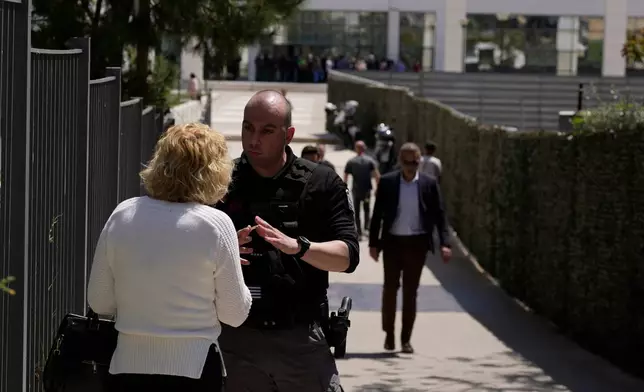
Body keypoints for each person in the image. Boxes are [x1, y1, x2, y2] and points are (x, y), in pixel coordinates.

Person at [87, 123, 252, 391]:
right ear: (215, 172)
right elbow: (235, 313)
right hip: (194, 371)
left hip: (126, 369)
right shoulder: (216, 224)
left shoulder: (123, 213)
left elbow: (99, 300)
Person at [215, 90, 359, 392]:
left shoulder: (321, 183)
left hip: (302, 341)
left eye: (267, 130)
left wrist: (300, 247)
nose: (254, 139)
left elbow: (347, 256)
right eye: (248, 128)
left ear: (288, 134)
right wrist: (221, 247)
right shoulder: (218, 182)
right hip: (235, 341)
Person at [368, 142, 451, 354]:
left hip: (417, 244)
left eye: (414, 162)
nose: (411, 166)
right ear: (400, 161)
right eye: (407, 162)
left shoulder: (429, 184)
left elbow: (440, 215)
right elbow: (377, 214)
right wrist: (373, 244)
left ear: (419, 161)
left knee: (410, 293)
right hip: (393, 243)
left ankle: (406, 339)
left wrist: (444, 243)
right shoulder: (387, 183)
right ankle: (389, 333)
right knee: (390, 290)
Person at [344, 140, 380, 237]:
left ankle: (359, 231)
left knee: (357, 210)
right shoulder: (370, 161)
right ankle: (366, 228)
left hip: (356, 190)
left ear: (356, 148)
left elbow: (346, 176)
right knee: (367, 209)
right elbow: (377, 175)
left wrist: (344, 189)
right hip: (367, 190)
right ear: (364, 148)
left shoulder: (351, 161)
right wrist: (378, 188)